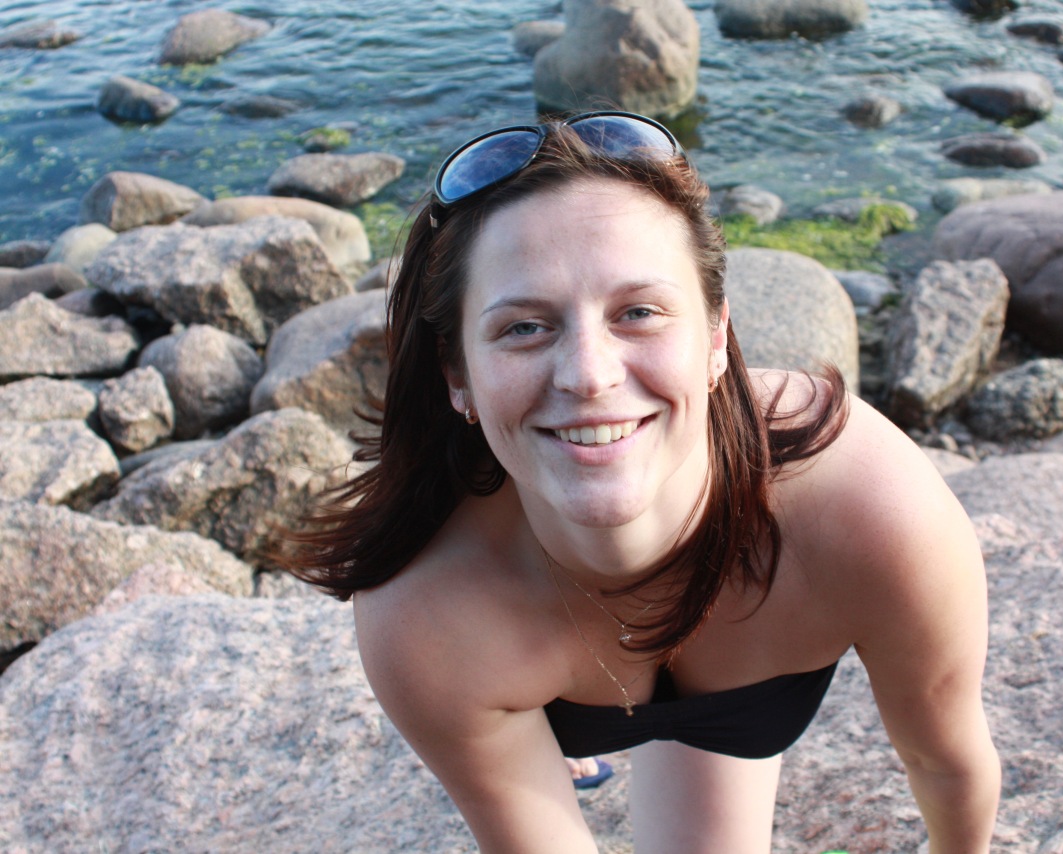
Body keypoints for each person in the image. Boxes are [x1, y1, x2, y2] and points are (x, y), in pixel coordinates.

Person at [289, 111, 1000, 852]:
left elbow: (946, 761)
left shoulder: (869, 511)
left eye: (638, 312)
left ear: (716, 338)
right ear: (457, 375)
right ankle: (553, 740)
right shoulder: (428, 612)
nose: (589, 376)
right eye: (524, 327)